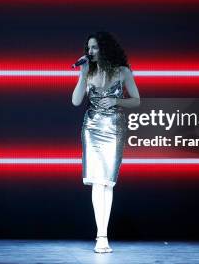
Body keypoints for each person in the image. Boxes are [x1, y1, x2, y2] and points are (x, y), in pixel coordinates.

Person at [71, 31, 140, 253]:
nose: (89, 52)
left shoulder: (123, 72)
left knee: (107, 181)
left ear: (105, 49)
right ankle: (101, 236)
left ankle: (103, 235)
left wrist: (117, 100)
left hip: (114, 127)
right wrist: (82, 75)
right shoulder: (88, 72)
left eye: (94, 48)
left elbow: (137, 101)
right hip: (91, 127)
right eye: (88, 48)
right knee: (96, 181)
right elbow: (75, 101)